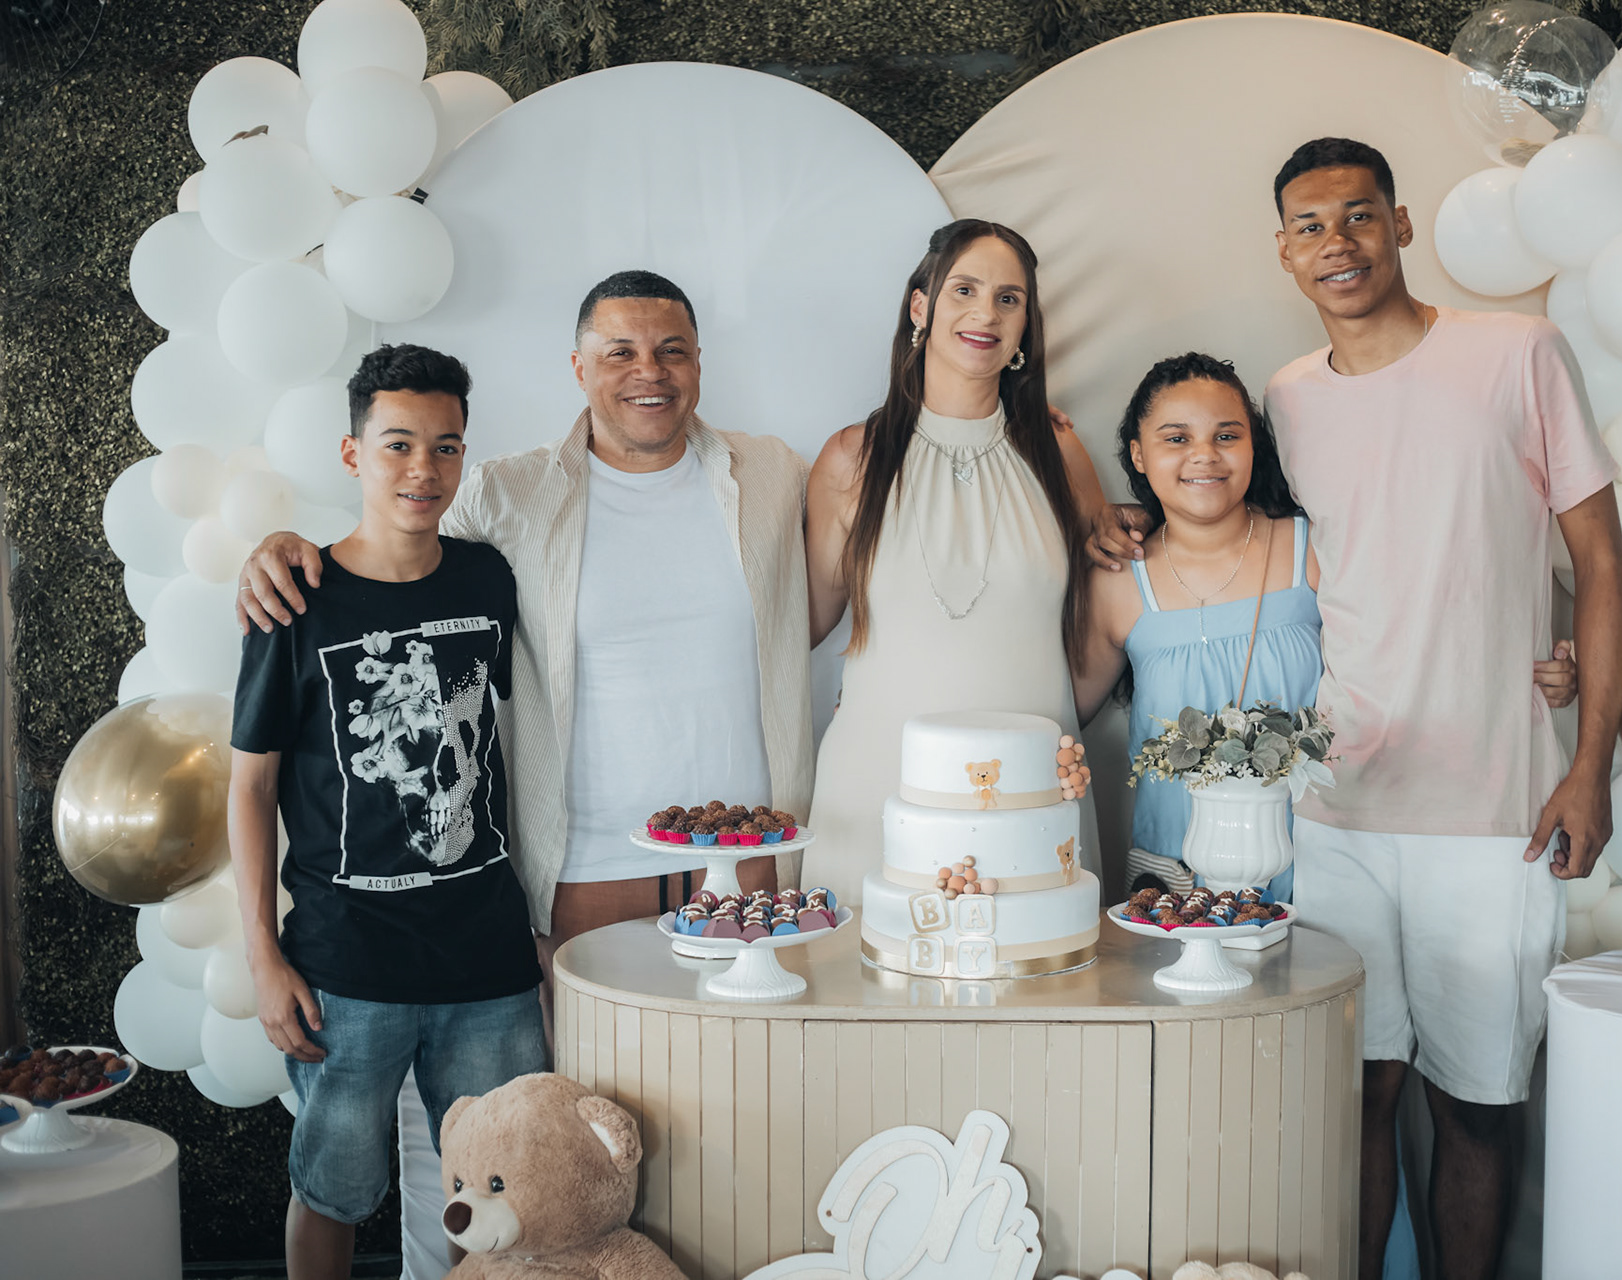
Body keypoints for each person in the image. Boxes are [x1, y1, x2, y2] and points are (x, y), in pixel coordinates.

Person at [1264, 138, 1622, 1280]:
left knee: (1475, 1103)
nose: (1338, 242)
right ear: (1285, 251)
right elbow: (1235, 531)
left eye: (1359, 215)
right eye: (1311, 225)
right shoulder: (1285, 397)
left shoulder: (1518, 351)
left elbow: (1601, 561)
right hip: (1339, 808)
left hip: (1493, 810)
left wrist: (1590, 764)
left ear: (1402, 225)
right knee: (1352, 1098)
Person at [237, 270, 811, 964]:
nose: (649, 372)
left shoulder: (773, 473)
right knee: (594, 1043)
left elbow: (825, 604)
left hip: (747, 861)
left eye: (672, 350)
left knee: (751, 1037)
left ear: (697, 362)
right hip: (584, 873)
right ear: (579, 368)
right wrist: (285, 547)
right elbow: (401, 564)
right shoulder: (506, 493)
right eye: (620, 352)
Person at [229, 345, 546, 1280]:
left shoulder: (490, 579)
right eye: (398, 444)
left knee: (500, 1193)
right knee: (332, 1190)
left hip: (487, 962)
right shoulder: (294, 601)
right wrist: (263, 956)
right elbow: (250, 788)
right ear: (352, 453)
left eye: (446, 447)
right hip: (345, 966)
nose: (423, 469)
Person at [1074, 352, 1579, 903]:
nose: (1204, 455)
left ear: (1253, 446)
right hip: (1174, 874)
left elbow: (1422, 639)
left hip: (1320, 859)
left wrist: (1529, 668)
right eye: (1177, 438)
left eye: (1227, 436)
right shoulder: (1116, 582)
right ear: (1138, 454)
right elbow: (1065, 710)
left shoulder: (1313, 547)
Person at [804, 219, 1111, 895]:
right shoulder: (851, 458)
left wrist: (1141, 523)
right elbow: (801, 622)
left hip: (1033, 790)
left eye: (1009, 298)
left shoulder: (1059, 453)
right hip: (877, 784)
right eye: (964, 290)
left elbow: (1111, 592)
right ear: (921, 306)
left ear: (1026, 324)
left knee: (1037, 953)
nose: (986, 313)